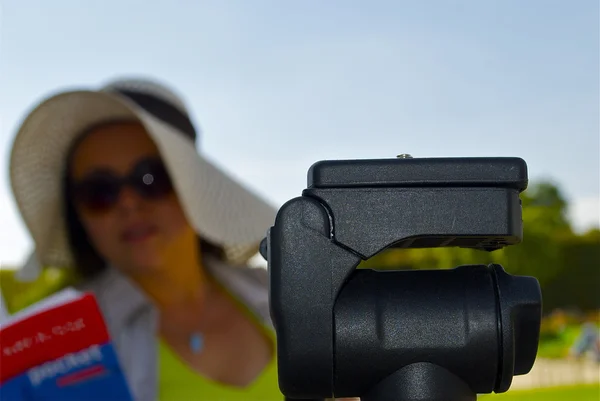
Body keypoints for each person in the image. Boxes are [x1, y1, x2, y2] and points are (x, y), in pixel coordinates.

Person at [8, 77, 282, 401]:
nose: (127, 202)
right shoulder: (54, 348)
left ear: (194, 188)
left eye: (150, 178)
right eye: (100, 191)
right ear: (77, 215)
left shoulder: (284, 295)